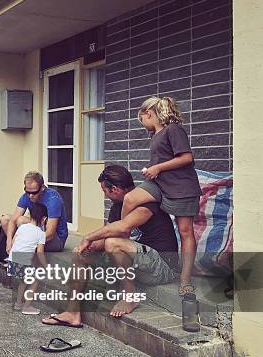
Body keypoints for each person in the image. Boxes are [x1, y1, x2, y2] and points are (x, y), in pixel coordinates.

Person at [41, 164, 178, 325]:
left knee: (113, 243)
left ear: (114, 189)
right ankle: (73, 312)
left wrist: (89, 237)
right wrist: (88, 245)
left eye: (105, 191)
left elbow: (123, 227)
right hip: (139, 264)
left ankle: (130, 297)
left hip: (163, 267)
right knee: (83, 253)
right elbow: (108, 231)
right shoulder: (117, 207)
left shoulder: (145, 203)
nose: (105, 195)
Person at [121, 96, 202, 296]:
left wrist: (157, 167)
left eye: (142, 120)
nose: (143, 125)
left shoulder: (173, 129)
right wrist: (153, 171)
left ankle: (185, 278)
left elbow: (186, 157)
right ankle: (123, 237)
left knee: (185, 232)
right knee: (130, 199)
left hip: (181, 186)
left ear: (148, 113)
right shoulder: (155, 134)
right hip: (160, 183)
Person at [1, 171, 68, 255]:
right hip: (38, 232)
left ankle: (21, 253)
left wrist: (26, 241)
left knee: (21, 221)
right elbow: (13, 220)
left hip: (56, 239)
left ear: (42, 187)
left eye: (34, 192)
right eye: (27, 191)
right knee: (5, 220)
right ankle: (17, 252)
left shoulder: (53, 199)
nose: (30, 196)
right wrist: (9, 241)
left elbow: (50, 233)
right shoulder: (27, 196)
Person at [7, 202, 48, 315]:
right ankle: (27, 306)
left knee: (23, 281)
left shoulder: (22, 227)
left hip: (13, 258)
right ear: (44, 219)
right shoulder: (41, 233)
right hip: (23, 259)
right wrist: (46, 266)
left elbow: (14, 242)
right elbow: (40, 252)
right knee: (35, 280)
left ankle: (18, 303)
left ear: (30, 216)